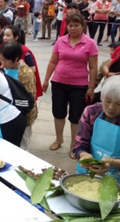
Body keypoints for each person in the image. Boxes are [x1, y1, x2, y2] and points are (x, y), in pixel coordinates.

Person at [74, 75, 120, 210]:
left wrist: (112, 163)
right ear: (102, 96)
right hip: (92, 172)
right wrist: (84, 156)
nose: (111, 107)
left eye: (119, 104)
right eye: (107, 101)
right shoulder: (91, 112)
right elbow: (79, 144)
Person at [42, 14, 98, 158]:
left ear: (82, 26)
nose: (73, 28)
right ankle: (59, 139)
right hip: (59, 82)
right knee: (58, 112)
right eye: (70, 25)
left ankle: (75, 144)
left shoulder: (90, 43)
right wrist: (46, 79)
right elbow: (53, 62)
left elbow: (93, 67)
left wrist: (91, 87)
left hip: (79, 85)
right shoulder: (61, 41)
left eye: (76, 25)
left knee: (76, 116)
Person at [0, 42, 38, 151]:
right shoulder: (5, 66)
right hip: (8, 113)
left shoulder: (25, 74)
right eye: (1, 59)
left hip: (24, 115)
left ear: (16, 59)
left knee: (22, 146)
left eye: (5, 60)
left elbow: (28, 100)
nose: (2, 63)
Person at [3, 25, 42, 99]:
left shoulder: (24, 51)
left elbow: (32, 69)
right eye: (4, 35)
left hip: (22, 87)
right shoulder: (4, 49)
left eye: (8, 35)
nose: (5, 38)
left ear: (16, 37)